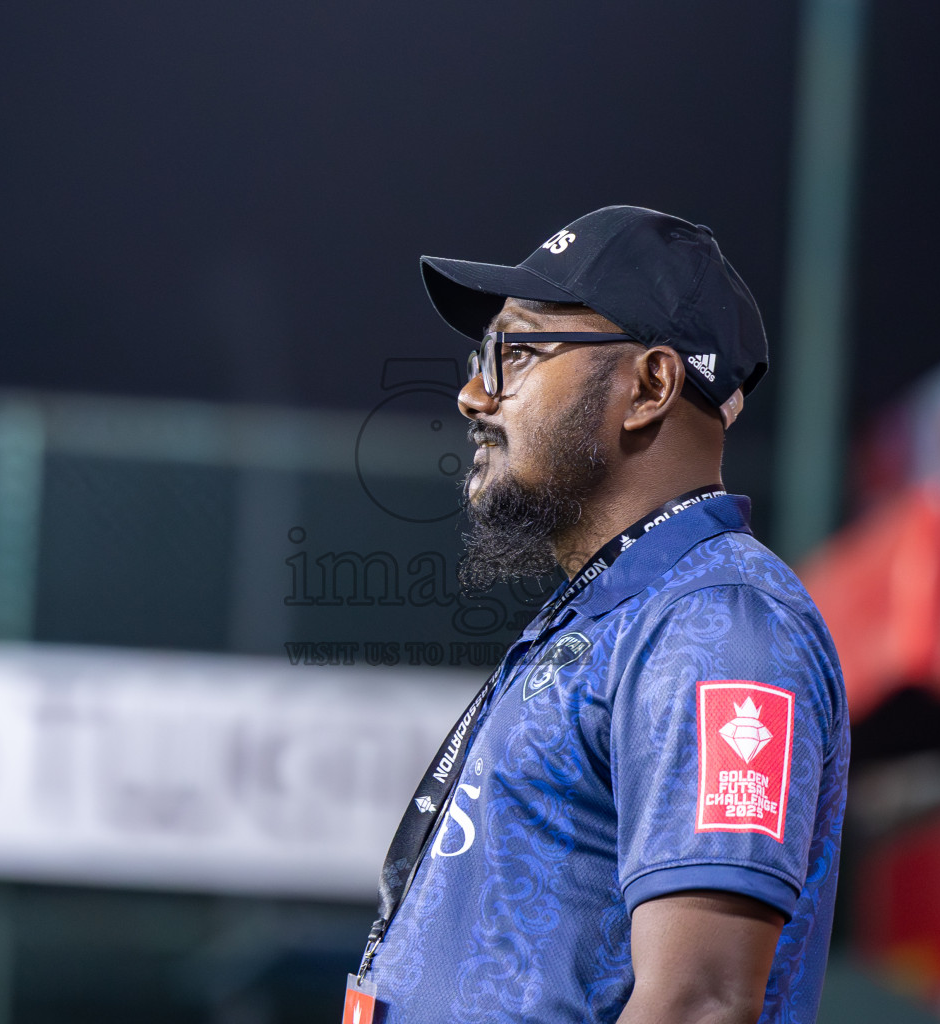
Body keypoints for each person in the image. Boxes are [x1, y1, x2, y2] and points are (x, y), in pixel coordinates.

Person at [344, 206, 849, 1024]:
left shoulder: (718, 623)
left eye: (517, 351)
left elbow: (702, 1003)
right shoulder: (618, 611)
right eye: (483, 356)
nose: (474, 393)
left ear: (649, 386)